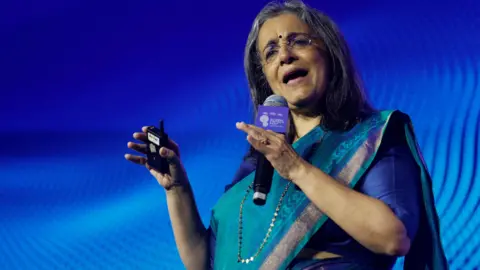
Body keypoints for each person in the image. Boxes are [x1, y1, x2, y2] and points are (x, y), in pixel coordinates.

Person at [125, 0, 448, 269]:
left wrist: (295, 168)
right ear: (267, 81)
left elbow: (393, 237)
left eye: (299, 41)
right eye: (270, 52)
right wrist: (177, 189)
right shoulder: (257, 165)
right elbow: (206, 261)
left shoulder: (372, 136)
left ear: (330, 55)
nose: (285, 55)